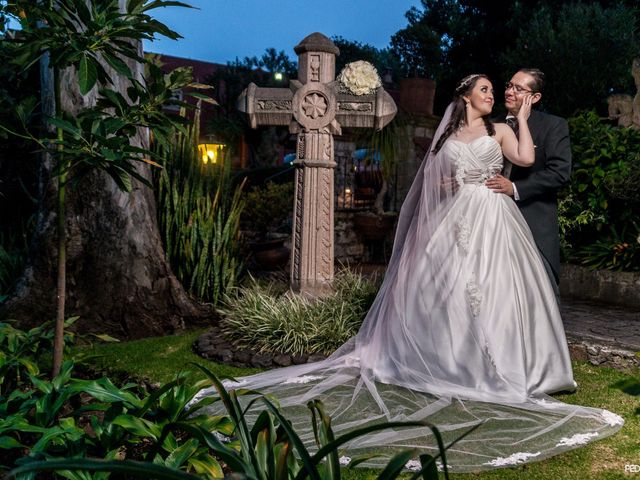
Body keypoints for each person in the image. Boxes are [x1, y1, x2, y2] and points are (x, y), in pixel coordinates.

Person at [198, 75, 622, 472]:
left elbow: (527, 158)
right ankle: (450, 363)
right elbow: (438, 183)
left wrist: (524, 121)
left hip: (496, 218)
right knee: (446, 293)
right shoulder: (450, 138)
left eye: (496, 89)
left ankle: (505, 366)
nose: (492, 94)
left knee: (497, 291)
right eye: (486, 89)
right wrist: (447, 189)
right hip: (457, 220)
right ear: (466, 96)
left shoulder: (501, 130)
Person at [486, 69, 571, 296]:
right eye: (509, 85)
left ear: (535, 97)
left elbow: (559, 172)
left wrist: (514, 188)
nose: (509, 92)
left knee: (535, 293)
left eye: (518, 88)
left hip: (533, 220)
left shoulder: (553, 126)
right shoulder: (489, 125)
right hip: (490, 219)